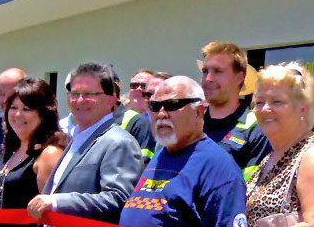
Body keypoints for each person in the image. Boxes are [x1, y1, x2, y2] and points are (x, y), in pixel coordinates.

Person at [119, 76, 247, 227]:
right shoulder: (161, 156)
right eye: (155, 106)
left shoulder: (218, 169)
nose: (161, 114)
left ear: (199, 112)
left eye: (172, 105)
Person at [27, 62, 143, 224]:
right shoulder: (75, 138)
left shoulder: (119, 142)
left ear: (112, 99)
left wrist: (57, 202)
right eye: (74, 93)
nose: (80, 100)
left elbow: (119, 198)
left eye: (89, 94)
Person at [0, 78, 68, 227]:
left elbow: (52, 215)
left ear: (43, 113)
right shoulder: (11, 149)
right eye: (13, 107)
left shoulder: (49, 154)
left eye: (26, 109)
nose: (18, 115)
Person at [246, 62, 314, 226]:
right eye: (260, 102)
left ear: (302, 108)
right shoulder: (268, 160)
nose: (265, 109)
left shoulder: (309, 156)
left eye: (277, 102)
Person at [200, 41, 271, 181]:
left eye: (218, 71)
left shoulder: (256, 127)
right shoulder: (192, 122)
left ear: (239, 78)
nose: (208, 79)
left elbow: (249, 188)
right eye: (205, 71)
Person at [111, 68, 155, 164]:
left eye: (144, 86)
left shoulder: (163, 118)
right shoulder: (116, 116)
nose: (138, 89)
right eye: (134, 85)